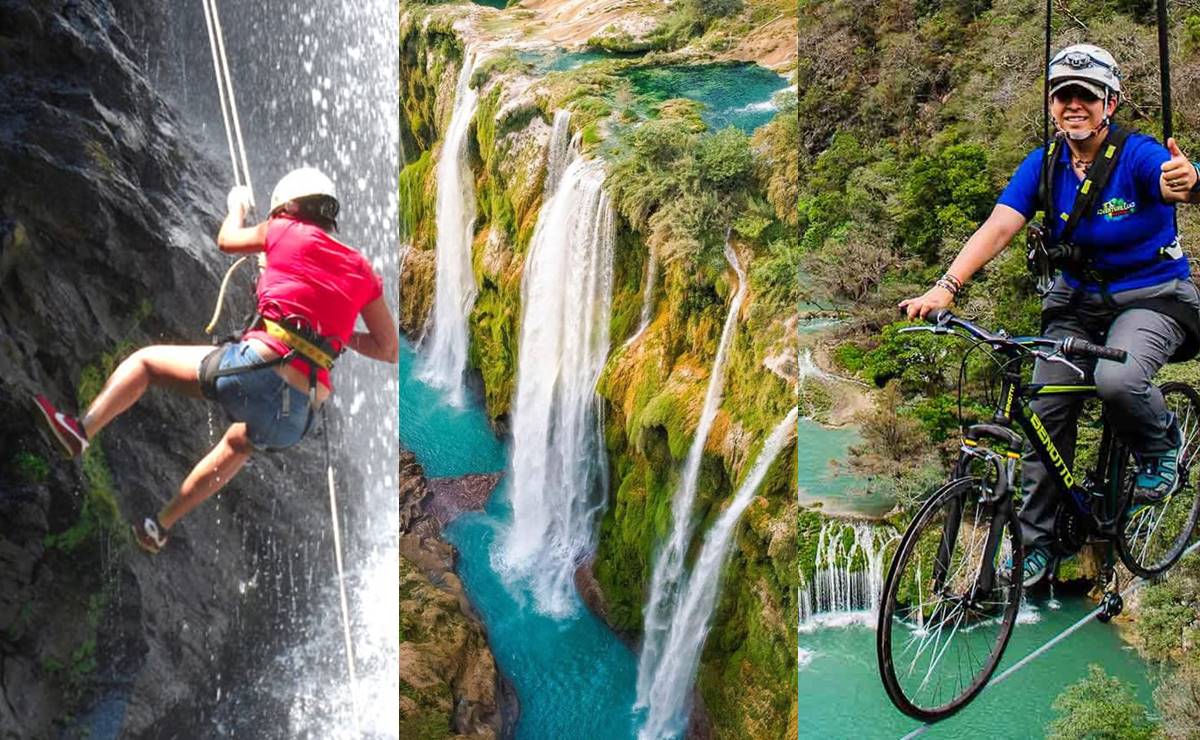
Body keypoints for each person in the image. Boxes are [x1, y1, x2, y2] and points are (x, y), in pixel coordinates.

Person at [900, 44, 1200, 586]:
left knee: (1119, 378)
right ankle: (1037, 547)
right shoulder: (1044, 165)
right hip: (1076, 305)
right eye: (1064, 96)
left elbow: (1171, 178)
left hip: (1151, 296)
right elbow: (999, 227)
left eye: (1086, 95)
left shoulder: (1138, 156)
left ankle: (1162, 445)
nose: (1073, 105)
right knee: (1043, 410)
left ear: (1110, 101)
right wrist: (947, 286)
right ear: (1052, 104)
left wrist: (1188, 178)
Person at [34, 167, 399, 554]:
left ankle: (82, 430)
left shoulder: (282, 230)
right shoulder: (362, 269)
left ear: (287, 208)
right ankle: (159, 526)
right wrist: (333, 338)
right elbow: (389, 350)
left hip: (255, 370)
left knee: (145, 364)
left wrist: (237, 206)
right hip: (298, 416)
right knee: (239, 444)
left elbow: (226, 241)